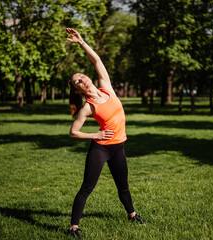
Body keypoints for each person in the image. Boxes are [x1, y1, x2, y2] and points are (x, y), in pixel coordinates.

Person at [65, 28, 145, 239]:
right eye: (77, 82)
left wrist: (82, 42)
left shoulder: (106, 87)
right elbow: (73, 132)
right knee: (87, 187)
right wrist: (95, 136)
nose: (82, 80)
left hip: (118, 146)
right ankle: (74, 227)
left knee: (123, 185)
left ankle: (132, 214)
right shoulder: (88, 107)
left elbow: (97, 60)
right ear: (78, 90)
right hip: (101, 149)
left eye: (81, 76)